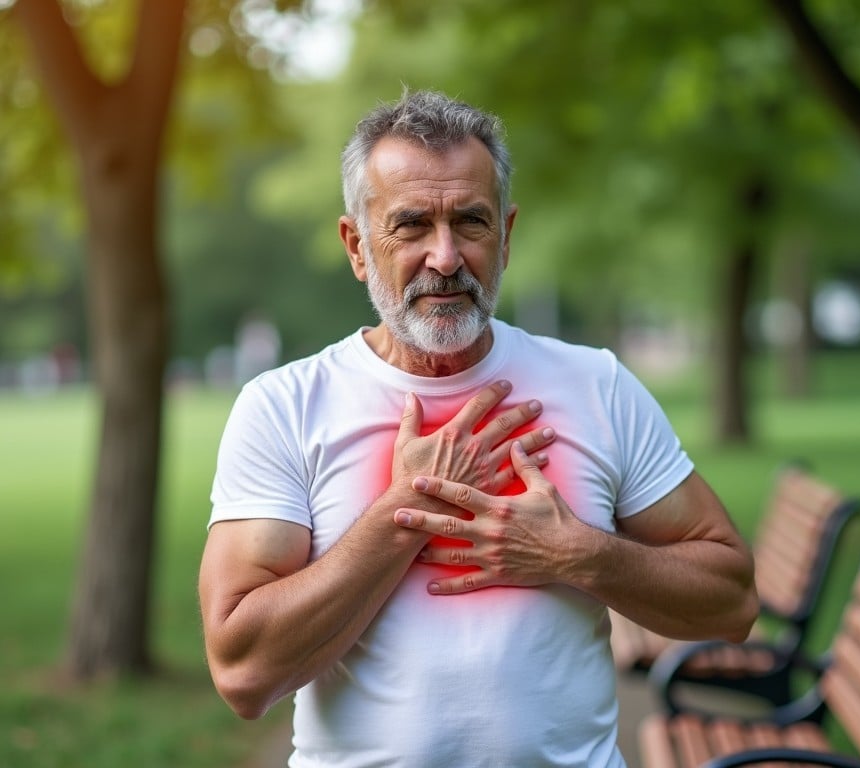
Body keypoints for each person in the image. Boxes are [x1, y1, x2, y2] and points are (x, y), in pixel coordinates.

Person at [199, 89, 758, 768]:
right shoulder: (284, 406)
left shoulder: (597, 386)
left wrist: (575, 554)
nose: (445, 257)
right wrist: (404, 511)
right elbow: (242, 673)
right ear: (356, 245)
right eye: (410, 225)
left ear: (506, 236)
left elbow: (730, 601)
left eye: (470, 221)